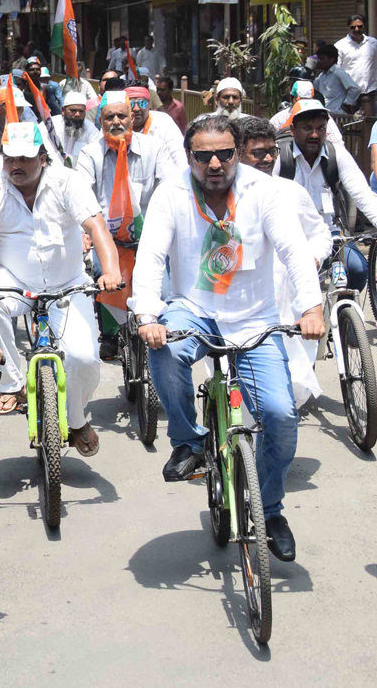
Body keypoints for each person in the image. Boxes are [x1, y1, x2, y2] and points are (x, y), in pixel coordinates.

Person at [133, 114, 325, 562]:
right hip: (195, 308)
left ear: (238, 152)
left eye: (224, 153)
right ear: (189, 157)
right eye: (203, 156)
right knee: (164, 349)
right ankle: (189, 441)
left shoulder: (265, 191)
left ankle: (270, 509)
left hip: (255, 318)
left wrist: (311, 308)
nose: (215, 164)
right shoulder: (171, 193)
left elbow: (295, 252)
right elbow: (151, 256)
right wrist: (147, 315)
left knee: (280, 416)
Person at [0, 122, 121, 456]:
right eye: (9, 158)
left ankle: (77, 419)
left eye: (24, 158)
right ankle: (12, 383)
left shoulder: (67, 181)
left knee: (84, 359)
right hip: (13, 279)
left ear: (42, 157)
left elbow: (96, 227)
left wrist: (110, 271)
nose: (15, 165)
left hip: (67, 283)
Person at [237, 115, 331, 405]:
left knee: (290, 392)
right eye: (258, 152)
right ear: (238, 153)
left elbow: (320, 234)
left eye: (272, 151)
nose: (267, 159)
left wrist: (312, 257)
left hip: (287, 307)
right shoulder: (223, 197)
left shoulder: (292, 192)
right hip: (240, 309)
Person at [76, 92, 179, 358]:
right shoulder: (90, 153)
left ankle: (162, 338)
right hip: (108, 239)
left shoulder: (154, 148)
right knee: (104, 278)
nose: (116, 122)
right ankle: (109, 335)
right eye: (109, 117)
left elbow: (171, 188)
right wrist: (85, 234)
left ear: (132, 118)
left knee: (165, 291)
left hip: (150, 237)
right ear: (101, 121)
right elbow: (81, 196)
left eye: (121, 115)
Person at [274, 98, 377, 291]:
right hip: (289, 234)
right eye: (307, 128)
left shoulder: (336, 155)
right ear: (293, 129)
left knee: (357, 270)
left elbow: (362, 194)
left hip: (330, 232)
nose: (314, 134)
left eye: (320, 128)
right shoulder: (280, 157)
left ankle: (345, 307)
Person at [125, 83, 186, 166]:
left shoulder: (163, 121)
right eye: (130, 104)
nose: (136, 108)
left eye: (142, 103)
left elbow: (179, 155)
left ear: (149, 105)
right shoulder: (117, 124)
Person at [335, 14, 377, 115]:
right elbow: (337, 70)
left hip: (371, 91)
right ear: (348, 27)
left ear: (364, 26)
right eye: (353, 27)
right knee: (352, 122)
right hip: (350, 94)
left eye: (360, 26)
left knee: (372, 121)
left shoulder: (373, 43)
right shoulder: (340, 46)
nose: (356, 29)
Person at [313, 42, 361, 114]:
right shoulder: (322, 75)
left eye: (322, 58)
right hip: (325, 114)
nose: (319, 61)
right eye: (318, 58)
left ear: (331, 59)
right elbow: (313, 88)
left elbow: (355, 89)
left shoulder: (338, 73)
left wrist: (347, 103)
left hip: (337, 115)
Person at [57, 90, 100, 162]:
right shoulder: (52, 125)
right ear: (63, 110)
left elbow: (96, 152)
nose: (77, 114)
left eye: (81, 111)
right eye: (73, 110)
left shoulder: (90, 129)